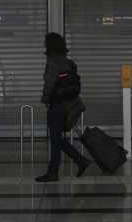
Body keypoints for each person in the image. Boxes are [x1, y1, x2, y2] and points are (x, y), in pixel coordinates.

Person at [35, 32, 91, 182]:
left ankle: (55, 171)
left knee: (55, 139)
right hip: (69, 105)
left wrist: (45, 100)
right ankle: (80, 161)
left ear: (50, 46)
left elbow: (49, 84)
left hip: (57, 105)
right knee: (57, 138)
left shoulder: (53, 62)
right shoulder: (69, 63)